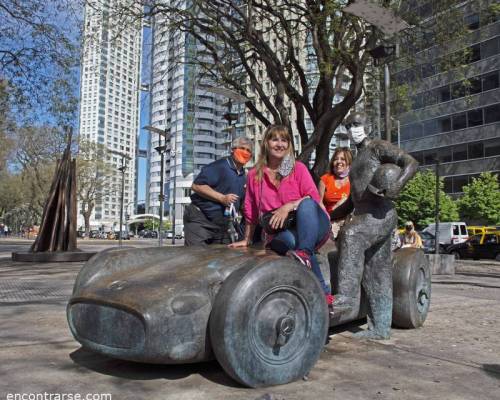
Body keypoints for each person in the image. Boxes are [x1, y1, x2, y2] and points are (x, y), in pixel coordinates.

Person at [332, 111, 418, 339]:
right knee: (376, 272)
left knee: (351, 234)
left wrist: (397, 185)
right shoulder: (358, 157)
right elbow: (353, 200)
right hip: (364, 212)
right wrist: (328, 214)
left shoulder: (377, 147)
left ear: (368, 126)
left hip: (379, 214)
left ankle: (347, 297)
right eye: (349, 126)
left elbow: (411, 162)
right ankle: (380, 328)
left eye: (357, 124)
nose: (353, 129)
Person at [230, 125, 333, 306]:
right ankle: (323, 293)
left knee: (307, 205)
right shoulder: (255, 174)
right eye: (274, 139)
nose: (279, 144)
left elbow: (313, 198)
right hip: (284, 232)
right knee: (294, 243)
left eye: (284, 140)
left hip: (313, 223)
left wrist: (288, 206)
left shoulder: (297, 168)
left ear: (289, 145)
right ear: (266, 144)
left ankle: (306, 257)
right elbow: (251, 210)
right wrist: (246, 239)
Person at [183, 137, 253, 246]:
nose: (245, 152)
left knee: (224, 258)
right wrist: (222, 198)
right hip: (201, 219)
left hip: (222, 225)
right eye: (242, 148)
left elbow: (243, 206)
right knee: (196, 257)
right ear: (232, 150)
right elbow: (196, 185)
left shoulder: (245, 176)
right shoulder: (220, 166)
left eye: (248, 151)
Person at [319, 147, 352, 239]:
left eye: (343, 159)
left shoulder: (354, 180)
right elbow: (319, 202)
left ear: (349, 162)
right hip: (330, 217)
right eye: (336, 159)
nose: (339, 162)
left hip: (348, 218)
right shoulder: (325, 179)